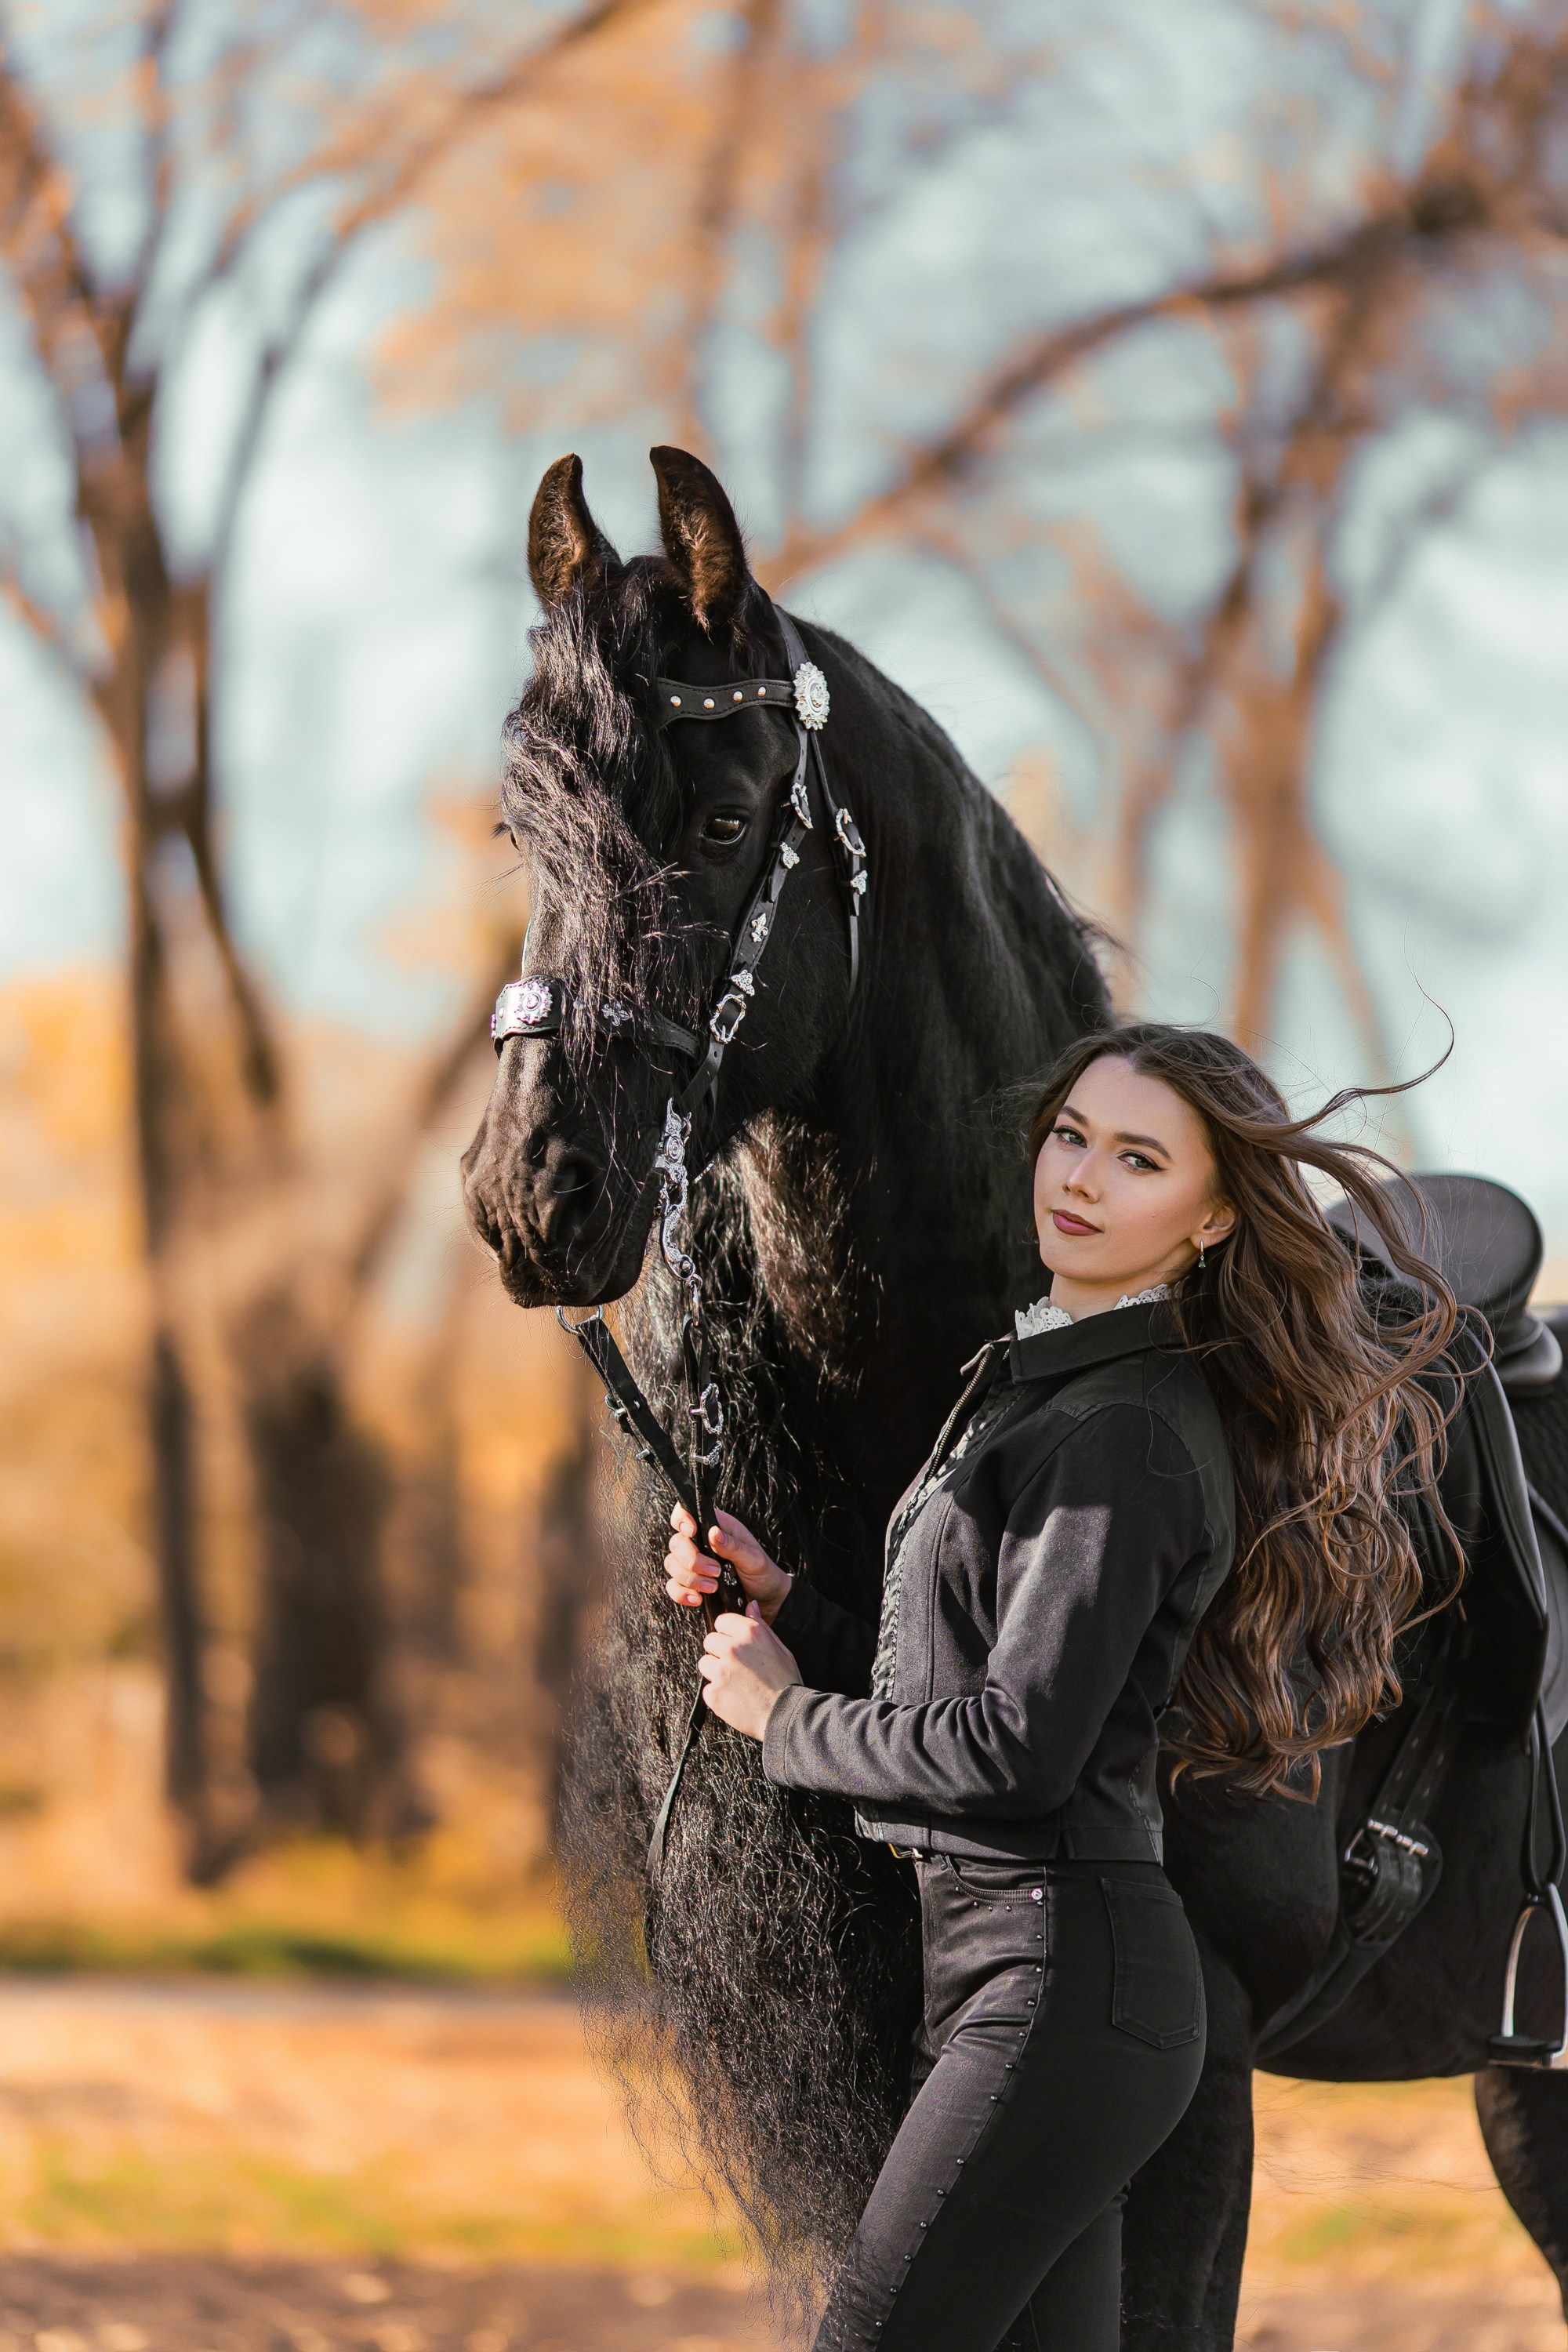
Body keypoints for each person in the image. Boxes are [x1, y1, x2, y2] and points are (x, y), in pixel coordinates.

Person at [662, 1023, 1459, 2352]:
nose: (1080, 1178)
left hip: (1057, 1987)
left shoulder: (1124, 1432)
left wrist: (782, 1719)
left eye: (1138, 1158)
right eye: (1073, 1136)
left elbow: (1019, 1751)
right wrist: (795, 1607)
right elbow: (982, 1677)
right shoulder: (1056, 1390)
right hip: (1032, 1988)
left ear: (1210, 1220)